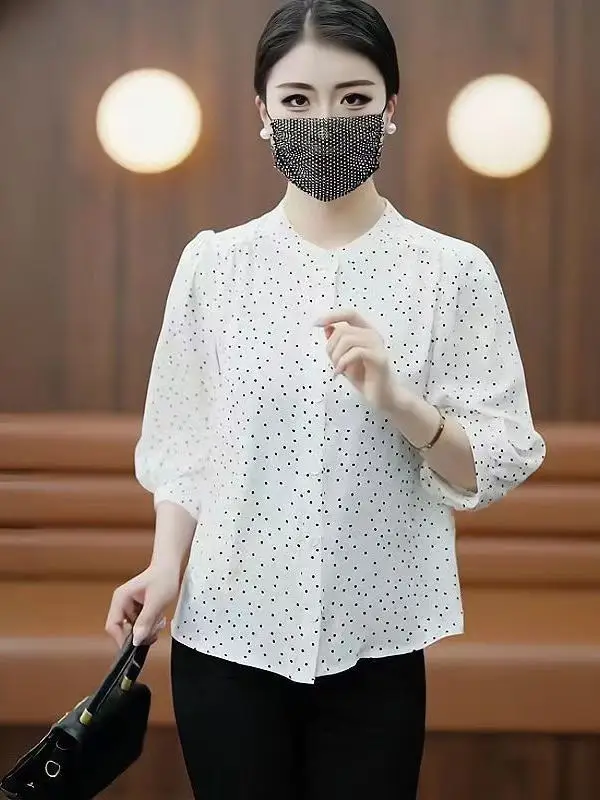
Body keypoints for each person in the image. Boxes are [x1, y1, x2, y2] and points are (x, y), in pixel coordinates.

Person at [105, 1, 546, 797]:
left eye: (353, 98)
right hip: (226, 634)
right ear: (263, 114)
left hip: (379, 640)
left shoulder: (451, 273)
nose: (326, 120)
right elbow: (186, 441)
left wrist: (400, 401)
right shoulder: (214, 267)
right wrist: (166, 566)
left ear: (390, 109)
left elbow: (498, 455)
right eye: (298, 100)